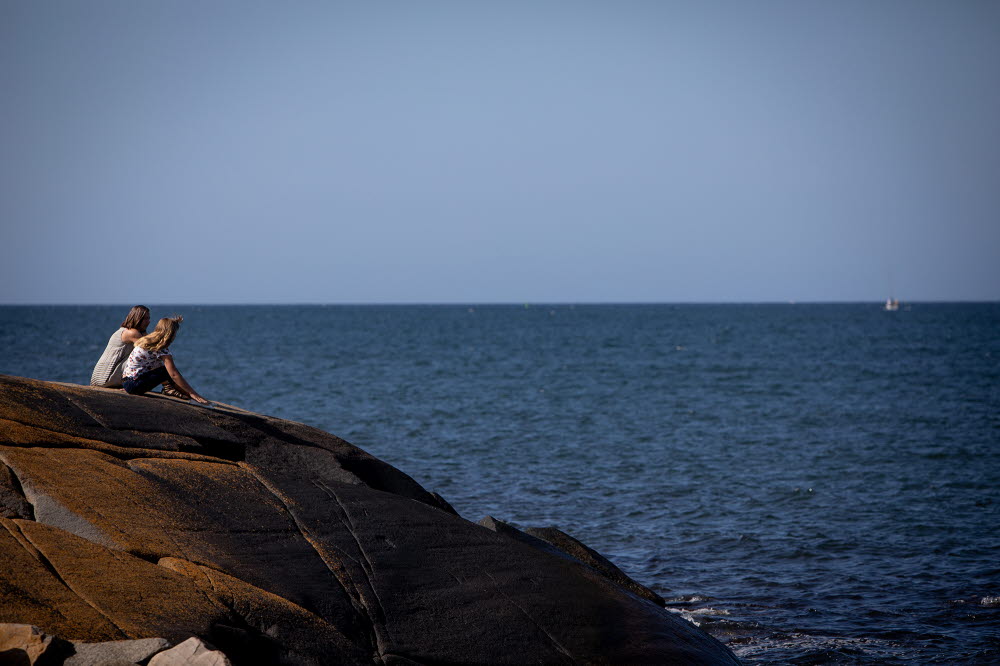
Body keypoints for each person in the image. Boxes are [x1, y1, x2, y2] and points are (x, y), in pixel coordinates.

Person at [122, 316, 210, 404]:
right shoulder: (160, 348)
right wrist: (193, 393)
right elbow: (173, 374)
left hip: (127, 382)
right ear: (170, 333)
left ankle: (174, 390)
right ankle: (189, 395)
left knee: (162, 367)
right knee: (166, 371)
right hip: (134, 385)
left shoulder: (146, 340)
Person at [90, 305, 150, 388]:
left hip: (99, 378)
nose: (148, 321)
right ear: (138, 318)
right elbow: (151, 350)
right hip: (105, 377)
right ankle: (168, 386)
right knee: (144, 355)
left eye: (148, 318)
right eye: (145, 319)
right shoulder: (132, 333)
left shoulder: (126, 330)